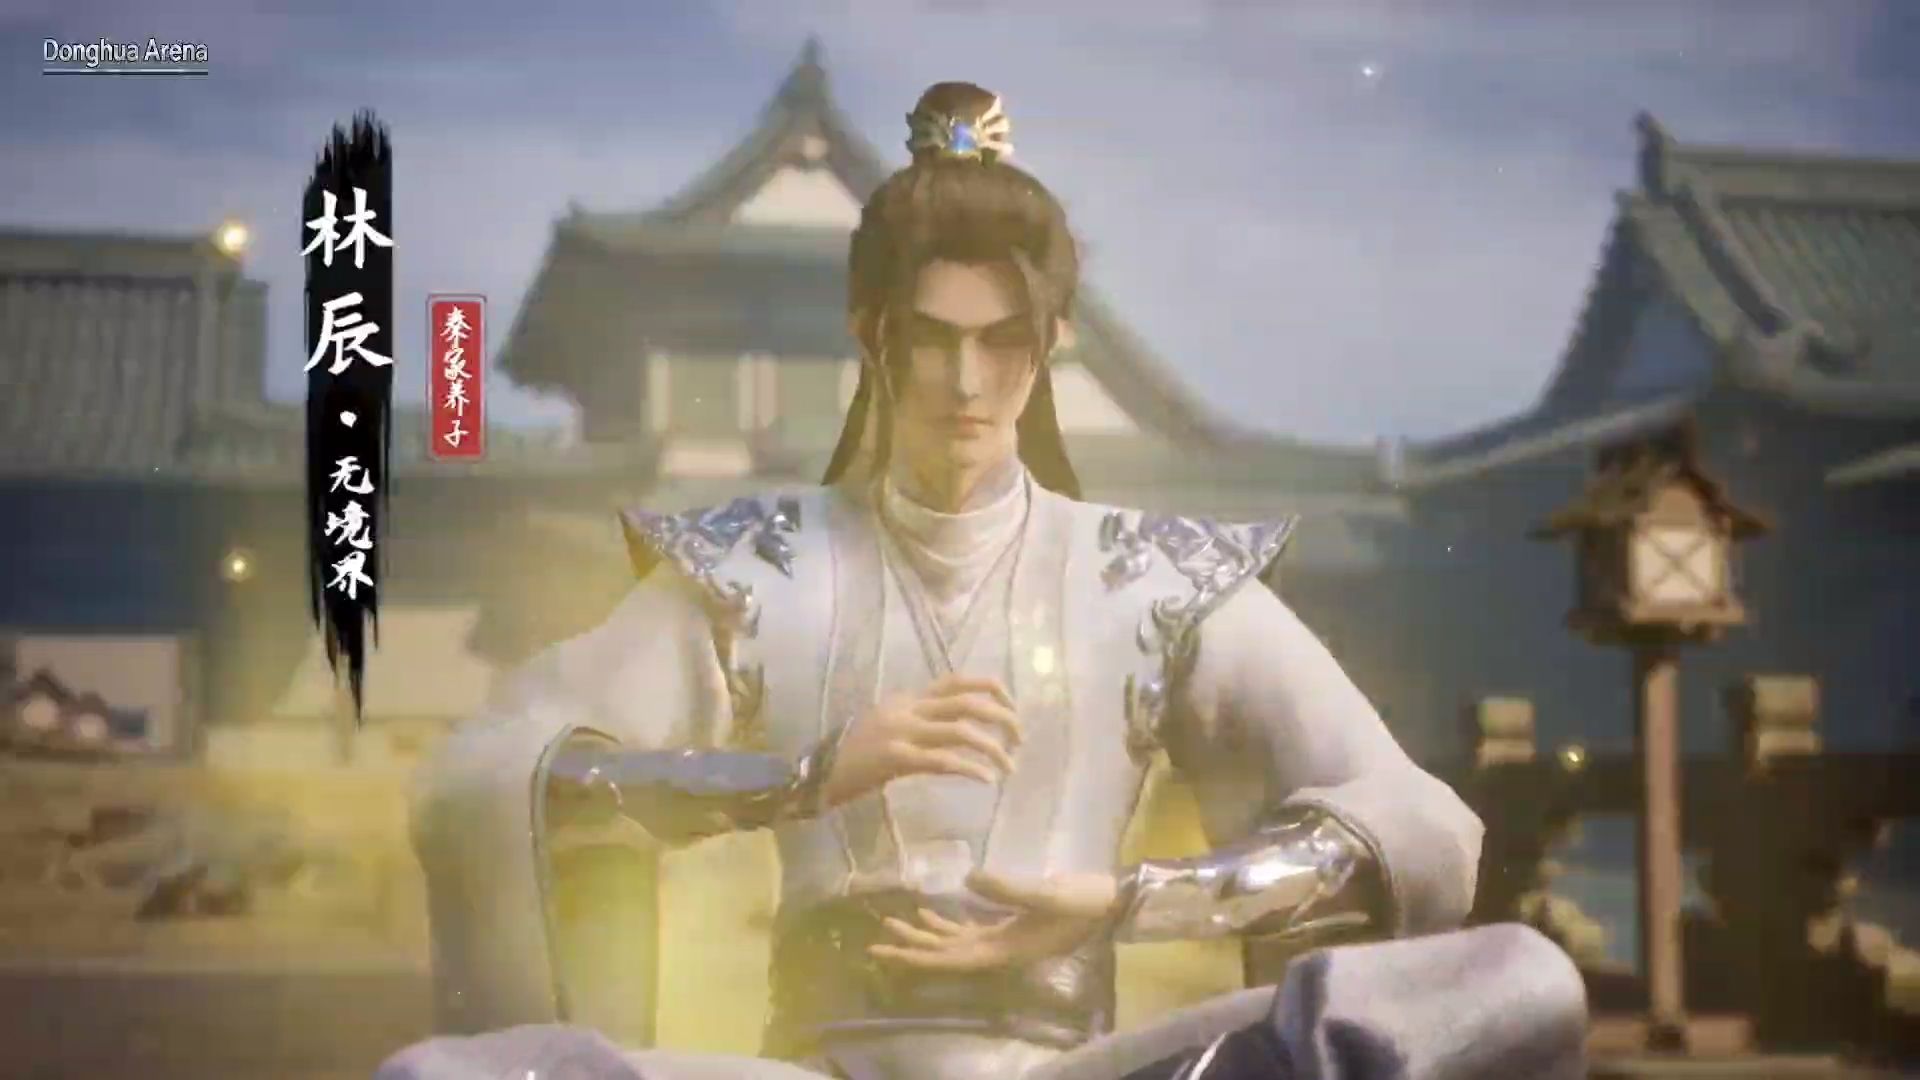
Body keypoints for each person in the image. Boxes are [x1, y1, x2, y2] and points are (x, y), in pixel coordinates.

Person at [386, 83, 1587, 1080]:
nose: (965, 381)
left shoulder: (1148, 576)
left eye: (1003, 341)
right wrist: (802, 778)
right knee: (448, 1077)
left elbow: (1410, 821)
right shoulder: (758, 565)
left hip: (1079, 1070)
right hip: (813, 1072)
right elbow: (501, 771)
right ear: (872, 335)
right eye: (930, 338)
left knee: (1516, 980)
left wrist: (1125, 903)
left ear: (1053, 341)